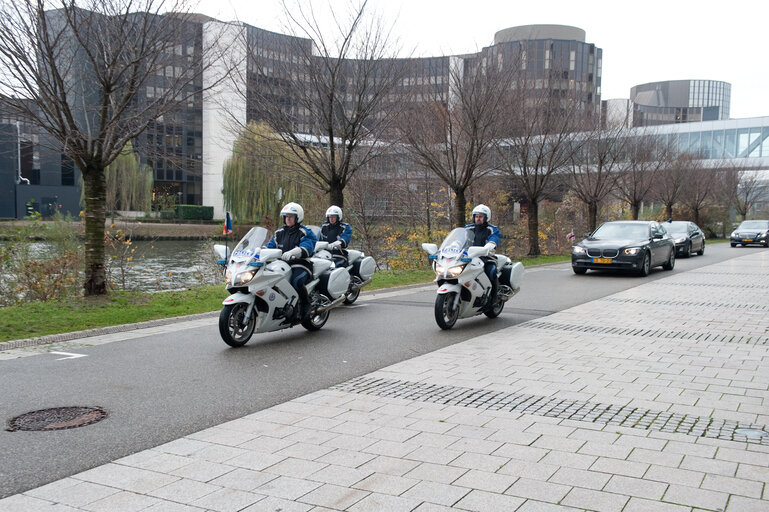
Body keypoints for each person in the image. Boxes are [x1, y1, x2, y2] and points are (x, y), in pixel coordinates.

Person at [266, 202, 317, 320]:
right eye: (286, 216)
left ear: (297, 217)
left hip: (301, 264)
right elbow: (270, 246)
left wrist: (293, 252)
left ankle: (306, 305)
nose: (288, 219)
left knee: (297, 281)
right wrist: (259, 251)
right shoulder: (279, 233)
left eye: (291, 216)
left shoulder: (305, 232)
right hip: (282, 265)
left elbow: (308, 247)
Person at [465, 204, 501, 309]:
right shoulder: (468, 228)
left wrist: (491, 244)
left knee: (491, 271)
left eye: (480, 216)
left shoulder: (492, 229)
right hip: (470, 258)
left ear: (486, 218)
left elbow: (495, 238)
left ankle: (494, 298)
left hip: (486, 258)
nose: (478, 219)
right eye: (476, 216)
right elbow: (459, 240)